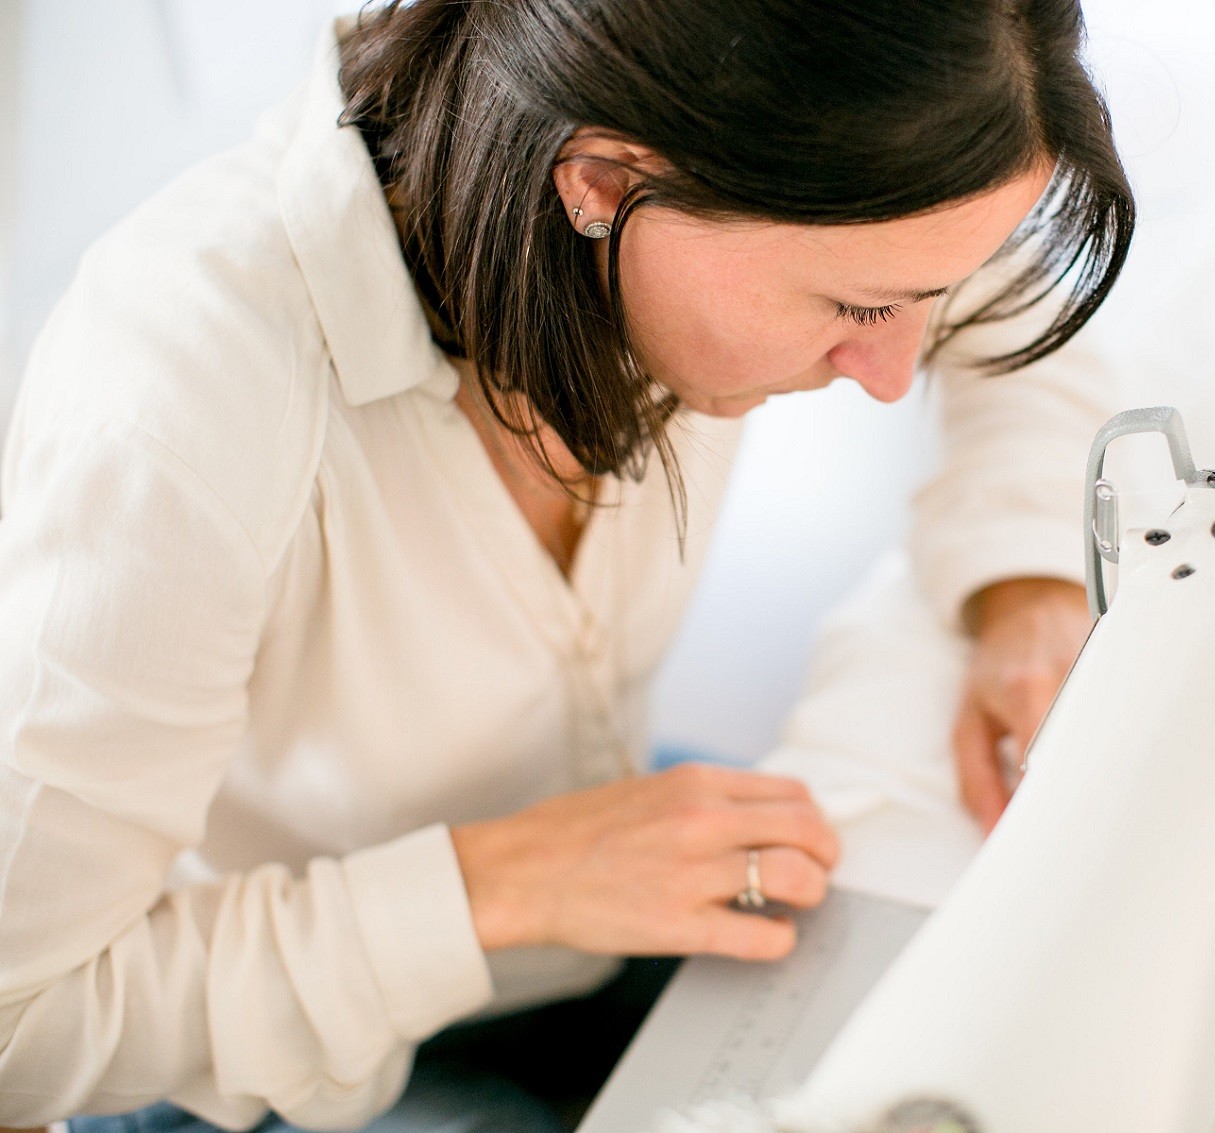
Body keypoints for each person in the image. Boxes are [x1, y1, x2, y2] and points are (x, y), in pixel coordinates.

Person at [0, 0, 1132, 1129]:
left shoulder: (716, 184)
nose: (889, 375)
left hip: (584, 885)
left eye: (916, 301)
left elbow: (988, 286)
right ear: (599, 183)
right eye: (857, 306)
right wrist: (504, 882)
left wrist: (1023, 579)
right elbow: (21, 1026)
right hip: (248, 1056)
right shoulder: (174, 408)